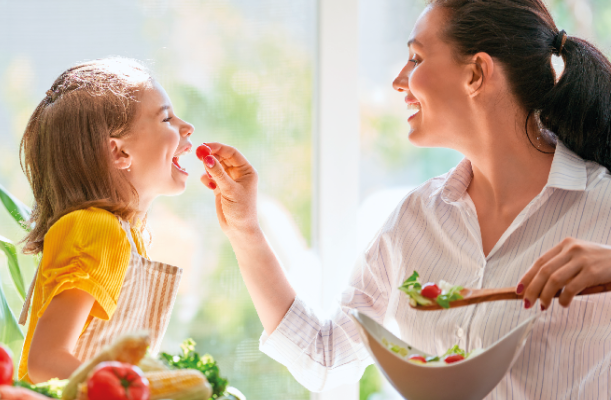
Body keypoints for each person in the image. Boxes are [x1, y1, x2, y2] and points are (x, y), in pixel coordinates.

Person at [196, 0, 611, 397]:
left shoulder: (602, 206)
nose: (399, 80)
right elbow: (324, 356)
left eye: (416, 58)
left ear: (476, 73)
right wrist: (245, 230)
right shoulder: (417, 219)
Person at [16, 58, 194, 383]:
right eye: (166, 118)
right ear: (119, 153)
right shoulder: (96, 229)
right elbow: (44, 361)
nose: (187, 127)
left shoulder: (130, 237)